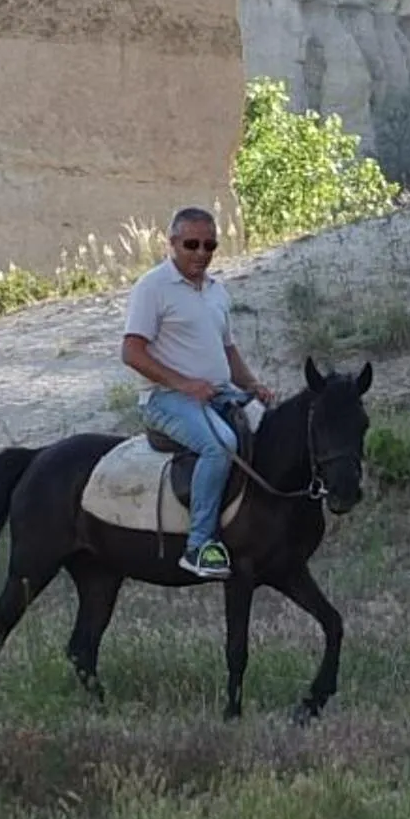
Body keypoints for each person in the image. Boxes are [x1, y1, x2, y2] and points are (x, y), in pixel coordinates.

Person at [120, 206, 277, 579]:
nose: (201, 253)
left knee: (272, 430)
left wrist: (252, 386)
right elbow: (131, 351)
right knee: (219, 445)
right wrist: (184, 384)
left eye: (210, 245)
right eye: (191, 244)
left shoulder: (216, 290)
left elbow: (228, 350)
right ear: (172, 243)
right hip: (167, 399)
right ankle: (199, 544)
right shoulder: (153, 287)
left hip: (220, 394)